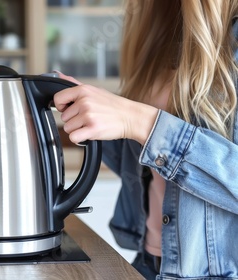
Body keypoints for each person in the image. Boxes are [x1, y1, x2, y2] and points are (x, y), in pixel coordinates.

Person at [53, 0, 238, 279]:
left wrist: (141, 122)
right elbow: (147, 164)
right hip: (147, 265)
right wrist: (91, 118)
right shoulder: (160, 31)